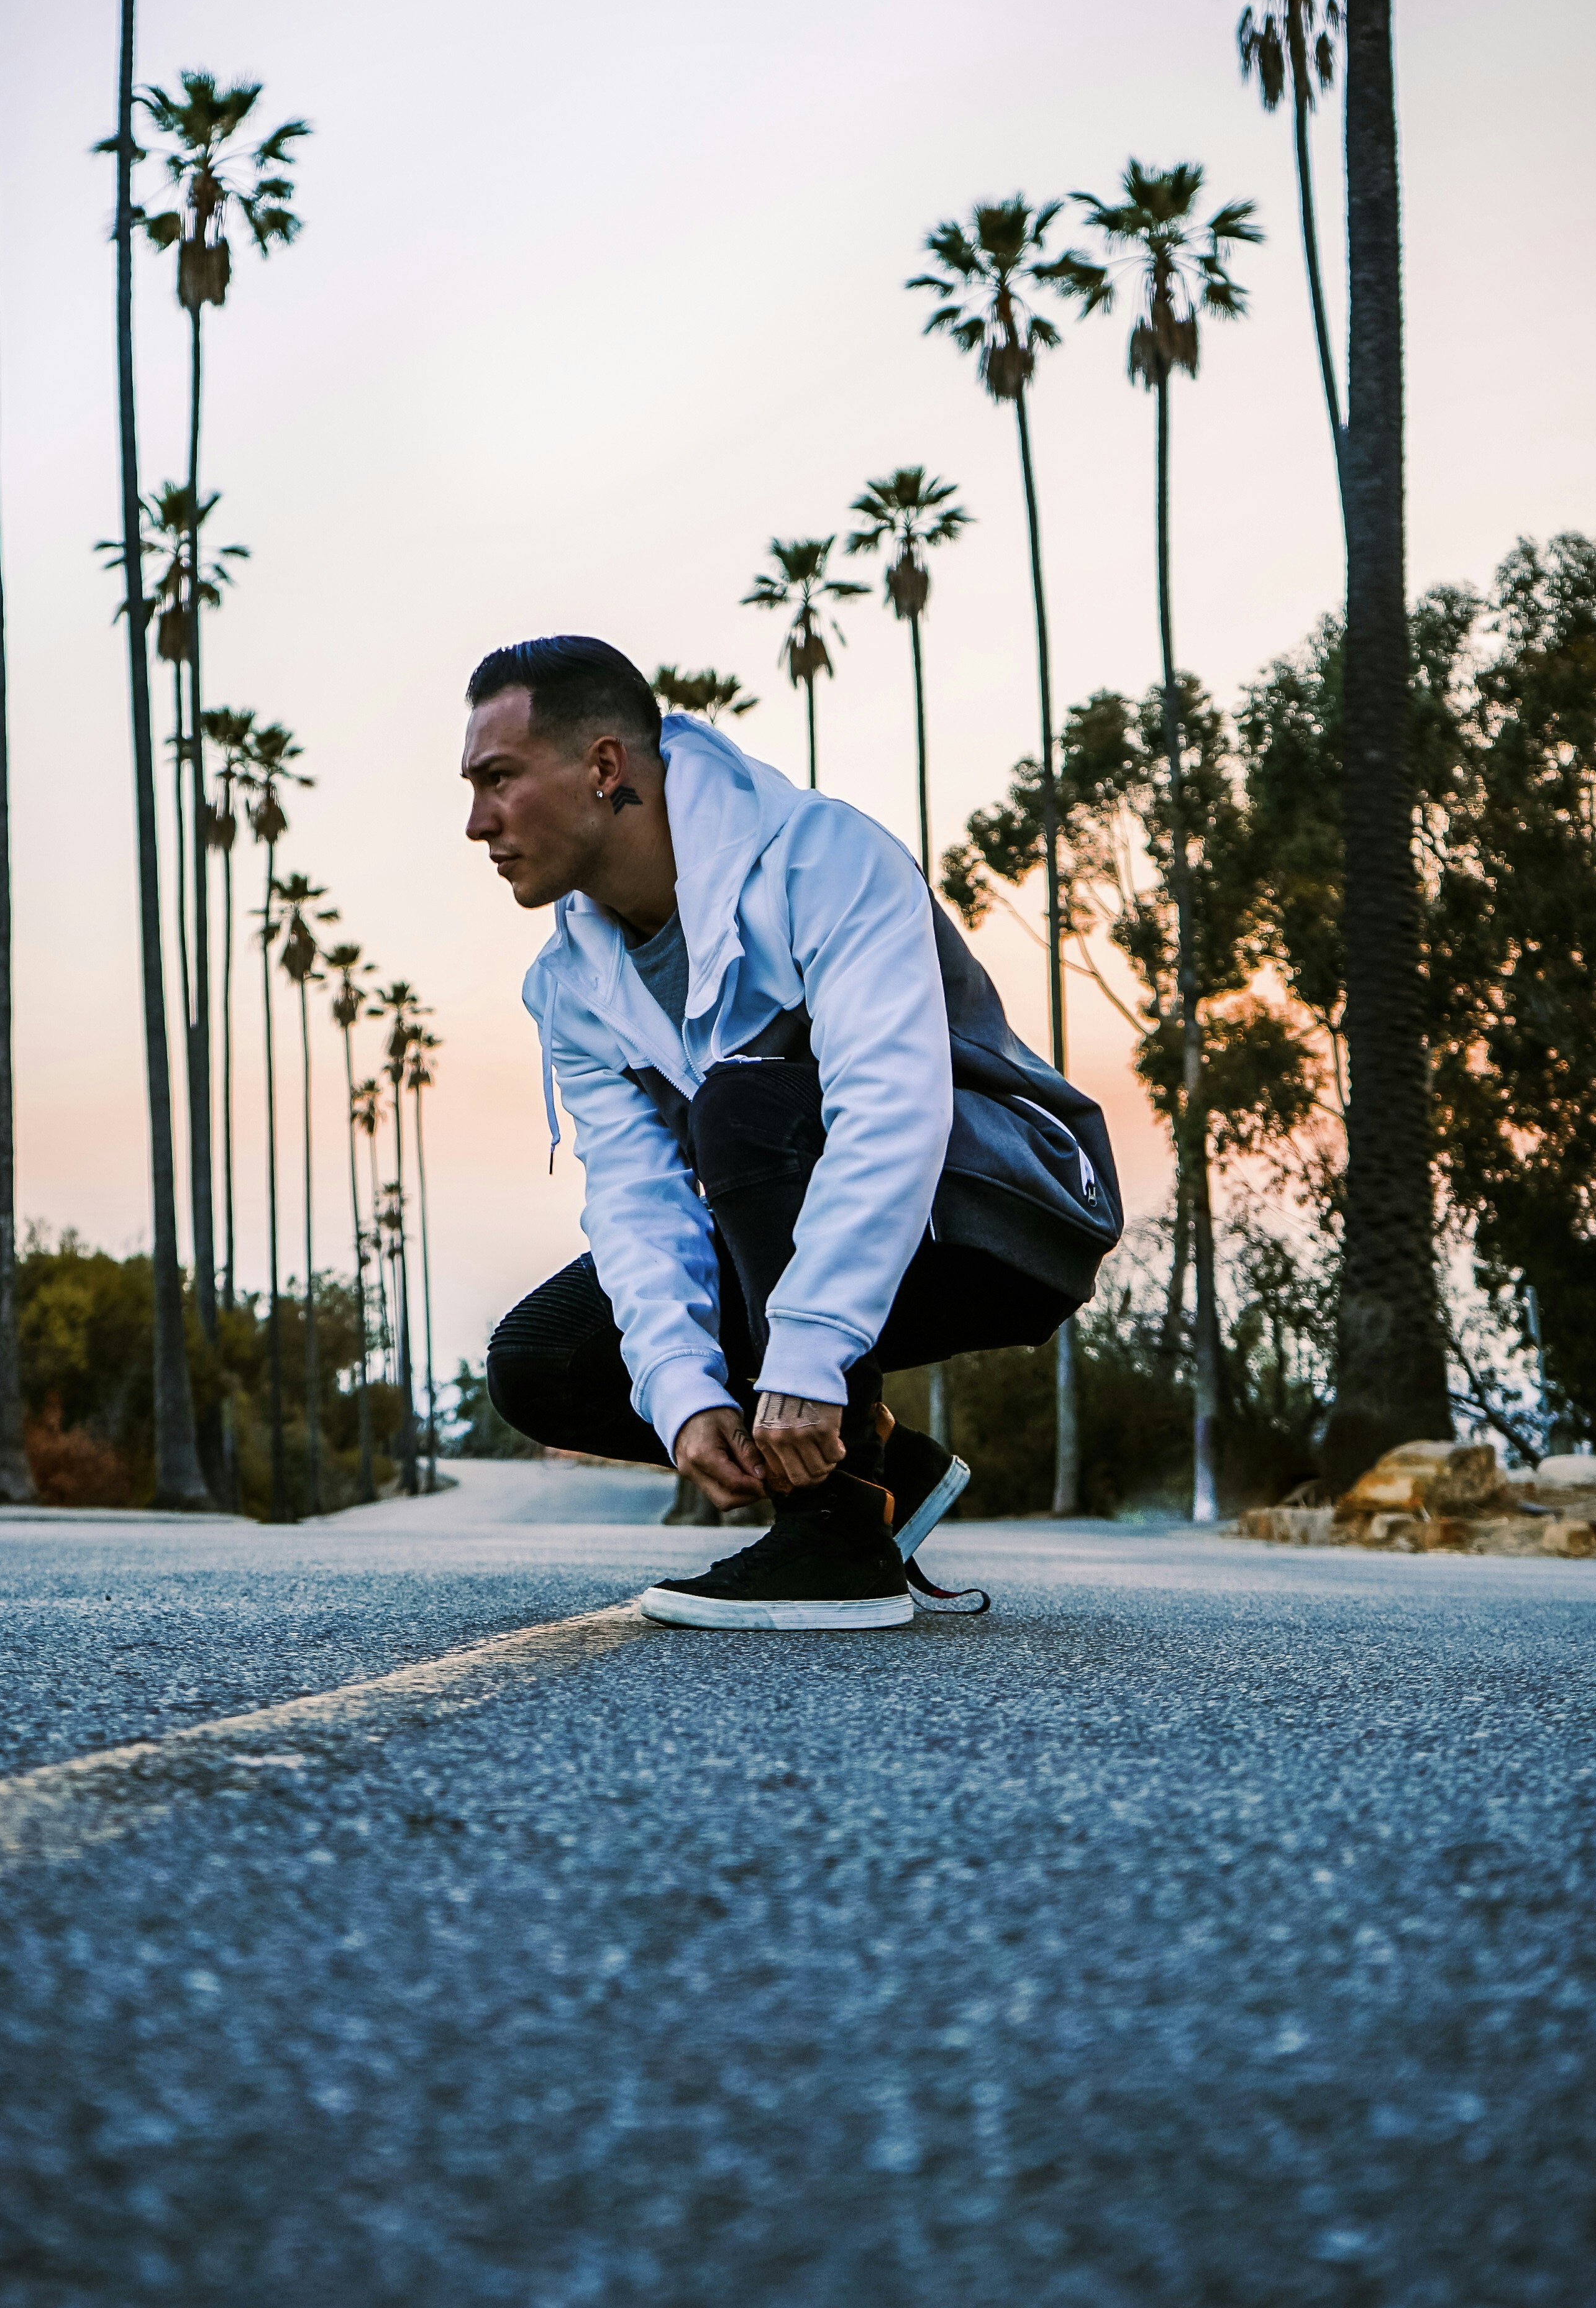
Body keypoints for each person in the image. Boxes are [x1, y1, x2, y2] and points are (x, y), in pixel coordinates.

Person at [463, 635, 1120, 1628]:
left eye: (499, 779)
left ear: (604, 768)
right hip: (808, 1218)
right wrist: (685, 1397)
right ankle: (887, 1466)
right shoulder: (568, 989)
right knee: (547, 1362)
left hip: (995, 1204)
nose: (478, 823)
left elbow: (891, 1111)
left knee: (744, 1095)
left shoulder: (822, 858)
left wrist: (807, 1359)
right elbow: (637, 1204)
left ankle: (835, 1536)